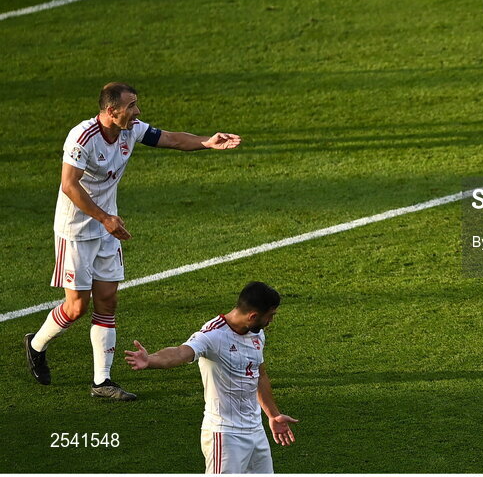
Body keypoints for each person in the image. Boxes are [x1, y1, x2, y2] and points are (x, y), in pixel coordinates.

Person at [24, 82, 241, 400]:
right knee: (76, 307)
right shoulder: (82, 138)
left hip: (107, 227)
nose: (137, 112)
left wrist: (207, 142)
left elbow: (169, 138)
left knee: (108, 300)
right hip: (77, 230)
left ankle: (102, 382)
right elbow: (70, 186)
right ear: (112, 111)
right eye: (132, 106)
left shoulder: (131, 130)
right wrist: (105, 218)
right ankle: (35, 345)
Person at [125, 281, 298, 474]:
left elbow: (259, 374)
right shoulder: (213, 335)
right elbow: (180, 352)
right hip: (225, 435)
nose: (271, 321)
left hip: (256, 431)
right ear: (253, 316)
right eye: (270, 315)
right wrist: (150, 360)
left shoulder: (256, 334)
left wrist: (273, 415)